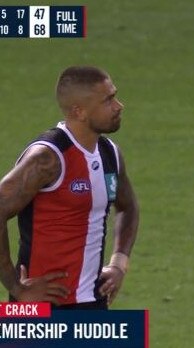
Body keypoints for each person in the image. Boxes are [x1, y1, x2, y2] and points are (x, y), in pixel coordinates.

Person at [0, 66, 139, 309]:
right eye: (108, 100)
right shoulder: (48, 158)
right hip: (42, 307)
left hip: (93, 304)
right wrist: (15, 287)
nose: (119, 106)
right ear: (79, 111)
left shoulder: (110, 154)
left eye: (114, 95)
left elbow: (128, 207)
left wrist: (118, 264)